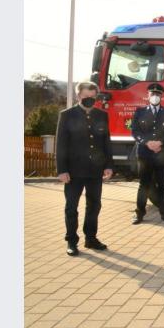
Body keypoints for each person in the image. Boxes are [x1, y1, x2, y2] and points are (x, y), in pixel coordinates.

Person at [55, 81, 113, 256]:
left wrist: (108, 165)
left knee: (94, 205)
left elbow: (106, 142)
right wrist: (62, 170)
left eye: (93, 97)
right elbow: (61, 144)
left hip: (95, 170)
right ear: (79, 95)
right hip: (73, 171)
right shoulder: (67, 115)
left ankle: (91, 238)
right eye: (86, 96)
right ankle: (71, 241)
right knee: (71, 207)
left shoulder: (101, 115)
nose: (90, 100)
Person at [130, 83, 164, 225]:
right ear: (148, 96)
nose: (155, 97)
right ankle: (139, 212)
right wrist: (147, 142)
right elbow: (135, 132)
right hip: (145, 154)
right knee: (144, 184)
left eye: (158, 95)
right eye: (152, 94)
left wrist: (160, 143)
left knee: (162, 184)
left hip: (162, 154)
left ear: (161, 96)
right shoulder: (140, 112)